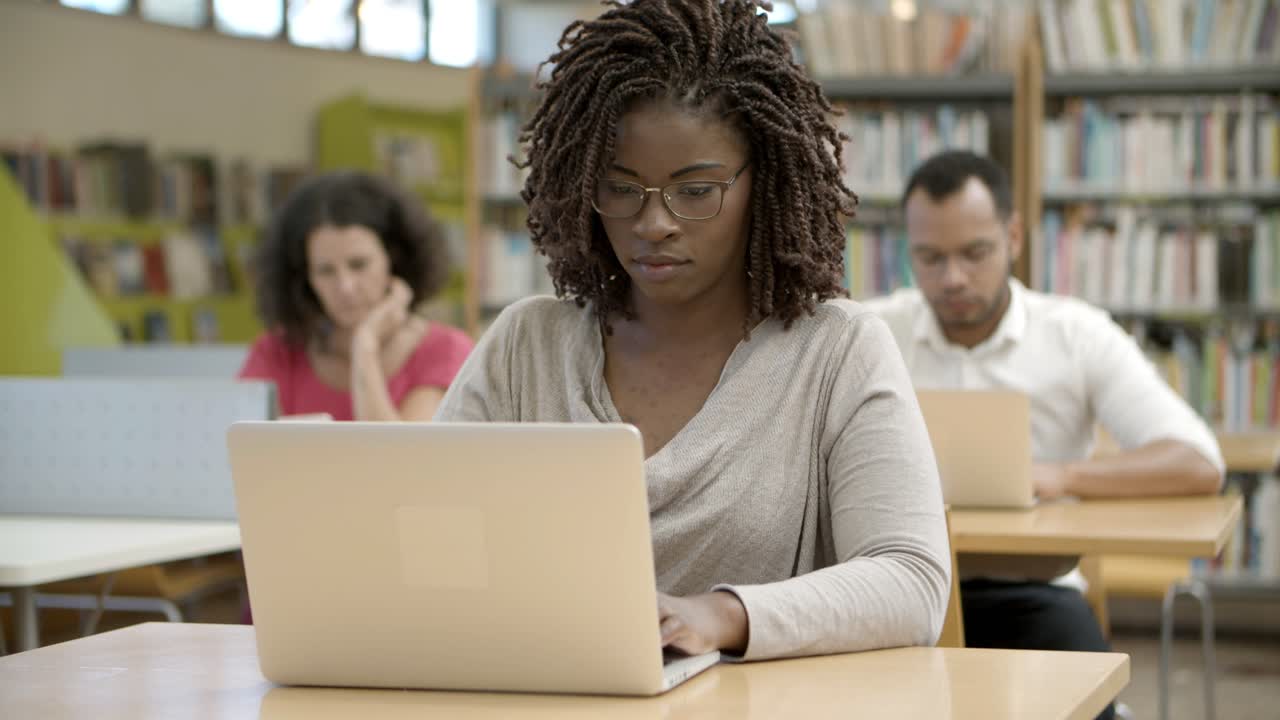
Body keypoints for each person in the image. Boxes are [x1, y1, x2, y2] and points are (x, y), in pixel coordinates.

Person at [433, 0, 950, 661]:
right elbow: (429, 543)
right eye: (620, 189)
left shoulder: (838, 351)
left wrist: (722, 615)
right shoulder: (525, 347)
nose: (653, 224)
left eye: (696, 190)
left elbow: (910, 582)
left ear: (762, 184)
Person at [863, 150, 1225, 719]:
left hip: (1031, 592)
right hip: (892, 592)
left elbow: (1198, 462)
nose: (952, 278)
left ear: (1013, 236)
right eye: (929, 258)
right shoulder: (872, 332)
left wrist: (1059, 476)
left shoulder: (1075, 334)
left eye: (974, 253)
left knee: (1085, 700)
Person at [240, 171, 473, 421]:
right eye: (325, 270)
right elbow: (242, 449)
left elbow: (400, 458)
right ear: (305, 278)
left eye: (359, 264)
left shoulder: (444, 350)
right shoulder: (277, 353)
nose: (345, 286)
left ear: (393, 260)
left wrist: (365, 347)